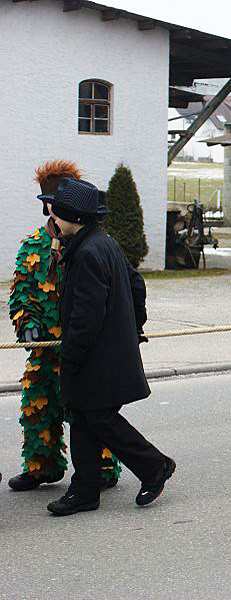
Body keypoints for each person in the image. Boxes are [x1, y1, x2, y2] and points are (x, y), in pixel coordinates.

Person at [40, 177, 174, 516]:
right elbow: (136, 284)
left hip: (94, 358)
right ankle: (85, 489)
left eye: (57, 213)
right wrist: (133, 326)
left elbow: (86, 317)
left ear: (74, 217)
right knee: (85, 418)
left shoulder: (87, 252)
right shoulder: (102, 242)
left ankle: (154, 466)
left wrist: (70, 358)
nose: (52, 218)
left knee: (99, 418)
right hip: (105, 354)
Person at [8, 160, 120, 492]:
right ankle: (42, 465)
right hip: (44, 348)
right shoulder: (32, 245)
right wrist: (26, 323)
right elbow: (21, 292)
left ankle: (100, 467)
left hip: (81, 346)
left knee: (88, 411)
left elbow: (116, 290)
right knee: (37, 405)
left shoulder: (92, 242)